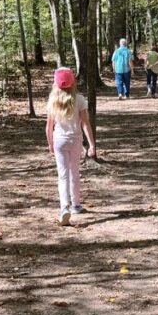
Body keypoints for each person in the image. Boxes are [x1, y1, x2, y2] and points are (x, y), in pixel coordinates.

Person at [45, 67, 96, 226]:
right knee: (74, 172)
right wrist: (92, 145)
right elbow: (86, 124)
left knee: (62, 175)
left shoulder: (53, 99)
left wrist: (50, 143)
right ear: (72, 81)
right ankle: (76, 205)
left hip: (59, 140)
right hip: (76, 140)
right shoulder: (79, 99)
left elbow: (48, 126)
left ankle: (64, 207)